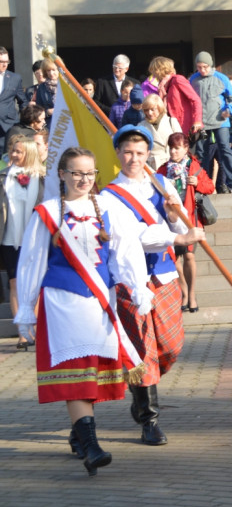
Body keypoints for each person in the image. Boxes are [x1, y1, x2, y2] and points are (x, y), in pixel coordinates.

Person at [13, 146, 153, 476]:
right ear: (61, 175)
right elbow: (31, 261)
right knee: (76, 372)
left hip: (99, 304)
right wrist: (25, 312)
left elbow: (127, 249)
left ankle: (80, 434)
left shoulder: (108, 207)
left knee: (90, 371)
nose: (83, 179)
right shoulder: (47, 212)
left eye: (89, 173)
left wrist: (137, 287)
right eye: (76, 173)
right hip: (62, 303)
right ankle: (91, 446)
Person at [102, 125, 205, 446]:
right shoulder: (108, 196)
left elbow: (177, 220)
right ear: (118, 154)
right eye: (128, 153)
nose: (134, 159)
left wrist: (177, 216)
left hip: (164, 275)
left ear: (149, 154)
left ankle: (138, 389)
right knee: (139, 351)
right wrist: (177, 237)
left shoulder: (161, 184)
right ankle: (149, 418)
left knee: (170, 346)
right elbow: (135, 237)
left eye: (140, 153)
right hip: (130, 282)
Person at [158, 132, 214, 313]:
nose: (173, 151)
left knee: (189, 256)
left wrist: (197, 183)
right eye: (171, 148)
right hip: (171, 220)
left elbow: (210, 187)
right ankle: (183, 290)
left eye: (177, 148)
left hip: (191, 218)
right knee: (175, 259)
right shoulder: (162, 169)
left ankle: (191, 294)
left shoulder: (194, 167)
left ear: (185, 148)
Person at [1, 136, 46, 347]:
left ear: (29, 152)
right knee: (14, 283)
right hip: (9, 238)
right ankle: (22, 332)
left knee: (34, 283)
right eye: (13, 151)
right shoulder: (4, 176)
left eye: (19, 151)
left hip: (34, 238)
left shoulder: (43, 177)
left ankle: (35, 328)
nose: (14, 155)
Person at [189, 51, 232, 193]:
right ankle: (202, 184)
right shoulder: (193, 80)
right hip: (202, 123)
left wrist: (229, 110)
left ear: (210, 65)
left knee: (225, 149)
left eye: (205, 67)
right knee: (202, 154)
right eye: (199, 67)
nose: (202, 70)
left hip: (221, 122)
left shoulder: (221, 78)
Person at [145, 56, 203, 139]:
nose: (153, 74)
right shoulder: (162, 85)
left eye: (153, 70)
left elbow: (195, 100)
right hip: (172, 124)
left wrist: (197, 121)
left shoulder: (177, 80)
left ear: (159, 70)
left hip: (186, 125)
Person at [140, 94, 182, 170]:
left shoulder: (171, 122)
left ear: (160, 108)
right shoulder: (141, 126)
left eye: (153, 109)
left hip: (172, 166)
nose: (149, 113)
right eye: (146, 110)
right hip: (151, 167)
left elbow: (181, 146)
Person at [0, 47, 27, 152]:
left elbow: (23, 101)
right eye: (1, 61)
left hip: (8, 124)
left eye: (7, 61)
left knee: (7, 155)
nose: (4, 64)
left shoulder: (14, 78)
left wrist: (24, 121)